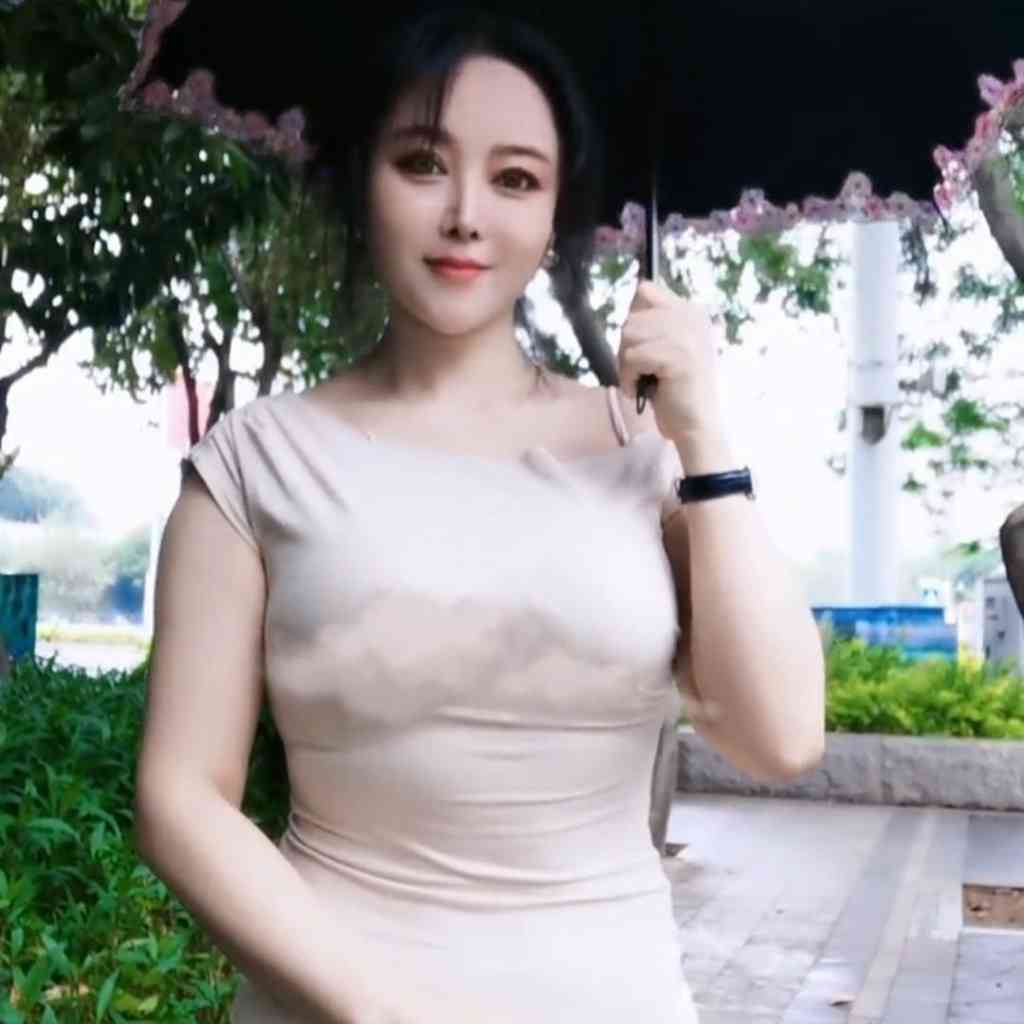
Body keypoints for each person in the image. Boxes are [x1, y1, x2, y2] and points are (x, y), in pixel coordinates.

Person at [134, 9, 826, 1023]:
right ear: (361, 176)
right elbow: (180, 797)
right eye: (422, 163)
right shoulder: (252, 462)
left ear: (556, 213)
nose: (465, 215)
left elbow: (782, 738)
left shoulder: (645, 450)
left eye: (515, 178)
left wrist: (705, 434)